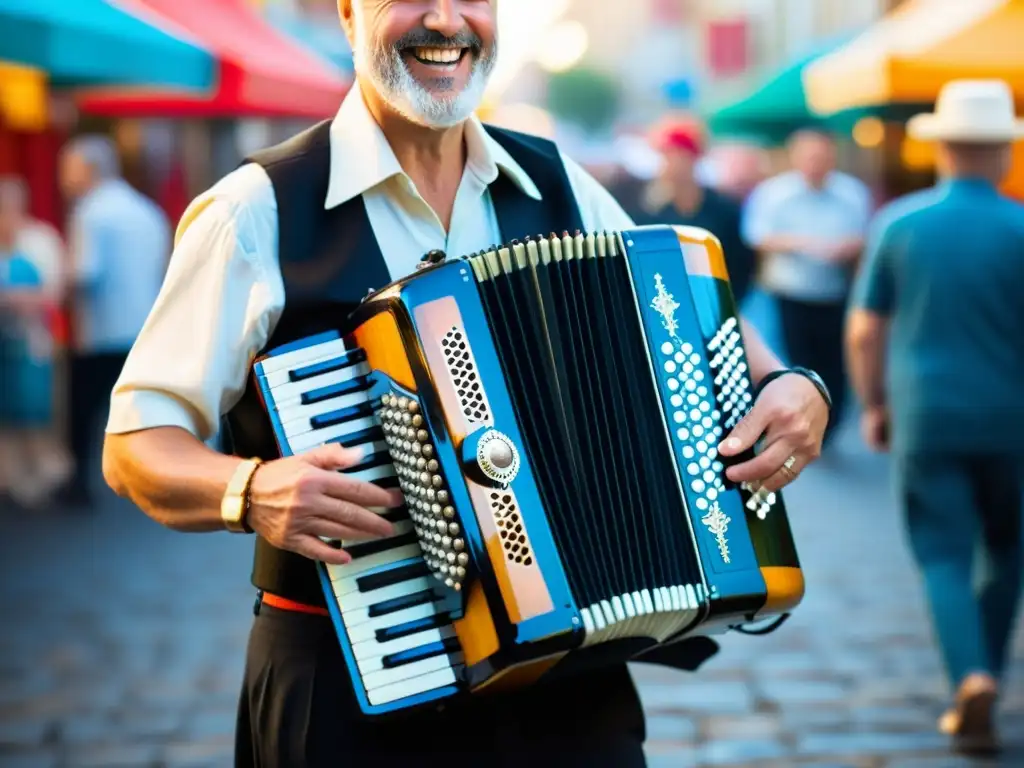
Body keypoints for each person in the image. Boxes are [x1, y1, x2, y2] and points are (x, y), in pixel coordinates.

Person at [101, 2, 831, 765]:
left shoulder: (558, 182)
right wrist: (248, 490)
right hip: (349, 690)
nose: (446, 20)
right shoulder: (254, 211)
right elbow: (135, 446)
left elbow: (689, 310)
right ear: (350, 13)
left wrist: (792, 382)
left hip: (570, 691)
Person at [846, 79, 1024, 757]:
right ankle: (989, 673)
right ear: (1003, 154)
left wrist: (876, 404)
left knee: (944, 552)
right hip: (1013, 418)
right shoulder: (1021, 225)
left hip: (927, 415)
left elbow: (865, 331)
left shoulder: (899, 225)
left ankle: (969, 677)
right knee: (1007, 551)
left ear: (941, 149)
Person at [57, 135, 171, 508]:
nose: (64, 180)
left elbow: (83, 274)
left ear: (88, 170)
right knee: (143, 409)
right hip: (142, 327)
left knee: (84, 412)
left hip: (100, 330)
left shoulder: (90, 213)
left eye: (68, 170)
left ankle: (79, 483)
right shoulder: (147, 210)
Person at [743, 127, 873, 447]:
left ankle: (829, 421)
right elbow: (757, 236)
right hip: (792, 292)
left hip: (835, 292)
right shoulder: (774, 194)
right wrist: (803, 245)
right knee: (798, 356)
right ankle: (800, 420)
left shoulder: (852, 193)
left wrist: (845, 249)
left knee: (835, 362)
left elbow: (867, 237)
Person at [0, 176, 71, 509]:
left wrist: (16, 299)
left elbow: (53, 293)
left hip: (33, 342)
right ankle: (11, 478)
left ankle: (45, 475)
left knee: (38, 412)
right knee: (9, 414)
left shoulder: (41, 240)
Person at [638, 117, 757, 305]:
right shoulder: (649, 210)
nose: (672, 164)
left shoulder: (723, 208)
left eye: (679, 156)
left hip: (713, 299)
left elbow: (742, 262)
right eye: (668, 156)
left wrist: (729, 302)